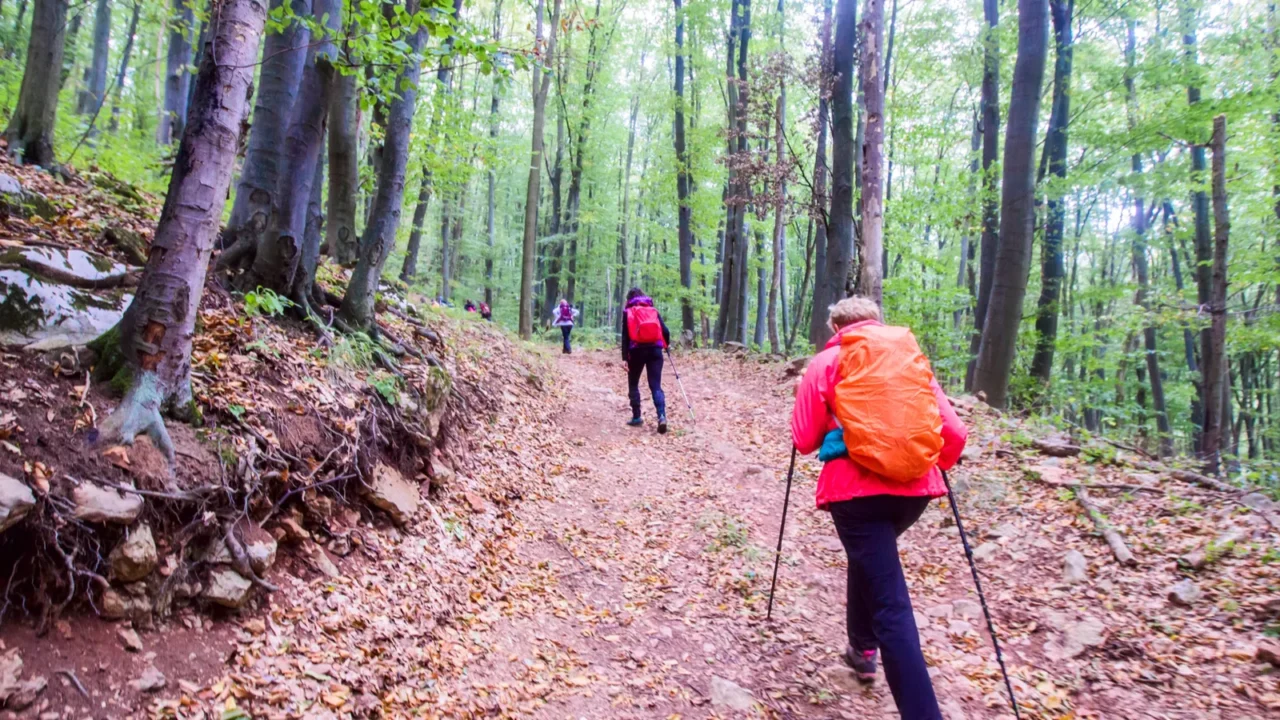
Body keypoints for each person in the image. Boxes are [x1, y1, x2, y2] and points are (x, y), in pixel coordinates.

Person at [790, 296, 966, 720]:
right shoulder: (908, 358)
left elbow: (804, 439)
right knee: (870, 561)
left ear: (837, 328)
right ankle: (861, 648)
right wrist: (923, 463)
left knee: (891, 602)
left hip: (854, 494)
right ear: (876, 323)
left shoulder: (828, 362)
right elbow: (955, 435)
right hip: (916, 491)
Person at [621, 287, 671, 434]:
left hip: (636, 351)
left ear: (629, 299)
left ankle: (637, 416)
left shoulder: (628, 312)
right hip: (655, 350)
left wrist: (624, 358)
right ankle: (661, 416)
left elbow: (625, 337)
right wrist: (666, 346)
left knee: (633, 383)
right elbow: (665, 331)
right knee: (655, 385)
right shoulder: (652, 310)